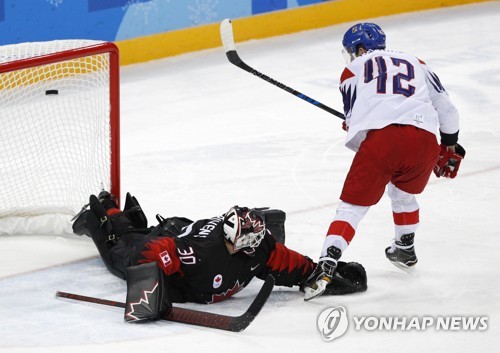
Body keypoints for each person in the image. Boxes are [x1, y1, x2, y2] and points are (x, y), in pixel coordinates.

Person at [303, 23, 466, 300]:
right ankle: (405, 247)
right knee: (403, 192)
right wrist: (448, 144)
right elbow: (447, 109)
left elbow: (356, 125)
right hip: (426, 140)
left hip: (385, 141)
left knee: (352, 207)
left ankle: (326, 263)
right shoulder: (418, 63)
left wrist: (355, 126)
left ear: (360, 48)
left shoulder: (351, 70)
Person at [72, 191, 367, 311]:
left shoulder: (259, 245)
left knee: (139, 237)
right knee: (121, 255)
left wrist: (316, 274)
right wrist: (149, 296)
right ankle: (99, 213)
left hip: (177, 228)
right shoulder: (197, 252)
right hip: (172, 240)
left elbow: (286, 261)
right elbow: (149, 253)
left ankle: (129, 218)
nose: (255, 246)